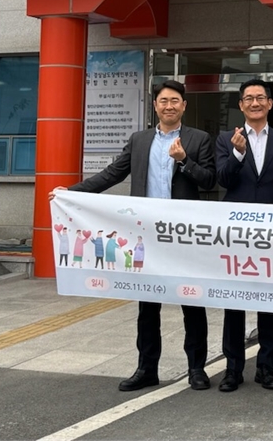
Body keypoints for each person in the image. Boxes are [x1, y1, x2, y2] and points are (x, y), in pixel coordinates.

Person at [50, 80, 216, 393]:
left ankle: (197, 368)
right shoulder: (140, 140)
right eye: (164, 101)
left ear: (184, 106)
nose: (169, 106)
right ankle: (146, 369)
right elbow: (112, 173)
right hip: (146, 235)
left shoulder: (198, 139)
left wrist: (184, 160)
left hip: (182, 235)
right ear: (155, 106)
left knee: (192, 301)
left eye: (175, 101)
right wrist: (70, 193)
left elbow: (209, 181)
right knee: (147, 306)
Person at [215, 78, 273, 393]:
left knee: (270, 301)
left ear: (270, 103)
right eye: (248, 98)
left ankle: (267, 368)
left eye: (260, 97)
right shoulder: (226, 139)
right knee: (234, 303)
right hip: (236, 233)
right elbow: (223, 179)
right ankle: (233, 369)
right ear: (241, 105)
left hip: (272, 234)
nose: (255, 103)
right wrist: (237, 155)